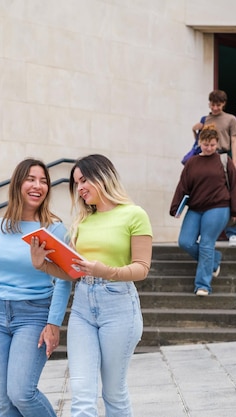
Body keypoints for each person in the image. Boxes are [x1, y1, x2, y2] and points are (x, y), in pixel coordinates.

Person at [29, 154, 152, 417]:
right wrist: (43, 265)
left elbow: (142, 268)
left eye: (84, 180)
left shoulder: (134, 214)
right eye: (76, 183)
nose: (80, 188)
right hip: (83, 306)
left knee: (113, 393)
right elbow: (72, 272)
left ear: (103, 176)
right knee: (82, 396)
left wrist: (104, 271)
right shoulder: (83, 221)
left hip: (118, 304)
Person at [0, 158, 72, 417]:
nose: (38, 186)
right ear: (18, 184)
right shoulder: (0, 226)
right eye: (31, 179)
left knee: (22, 392)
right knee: (3, 401)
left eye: (44, 181)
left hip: (34, 315)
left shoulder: (54, 229)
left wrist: (54, 323)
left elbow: (64, 279)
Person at [170, 129, 236, 296]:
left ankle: (203, 285)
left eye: (212, 145)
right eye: (205, 144)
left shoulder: (224, 160)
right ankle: (214, 260)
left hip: (218, 206)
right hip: (195, 208)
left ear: (217, 143)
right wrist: (175, 207)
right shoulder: (192, 163)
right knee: (185, 241)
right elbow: (183, 186)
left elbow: (235, 184)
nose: (209, 148)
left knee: (206, 243)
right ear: (199, 143)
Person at [192, 89, 236, 247]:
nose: (215, 108)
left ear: (224, 104)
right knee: (204, 193)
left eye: (218, 105)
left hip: (222, 156)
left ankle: (233, 233)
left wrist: (234, 161)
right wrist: (196, 132)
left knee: (229, 193)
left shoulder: (230, 119)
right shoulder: (206, 119)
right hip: (206, 157)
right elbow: (200, 137)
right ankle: (203, 233)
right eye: (213, 105)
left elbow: (234, 141)